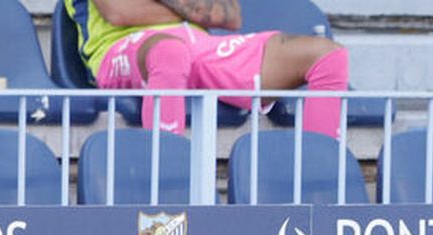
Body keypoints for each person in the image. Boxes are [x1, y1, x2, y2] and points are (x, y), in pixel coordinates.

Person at [66, 0, 351, 138]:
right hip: (122, 51)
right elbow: (120, 12)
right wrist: (191, 8)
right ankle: (165, 178)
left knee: (326, 55)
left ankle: (319, 183)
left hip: (200, 46)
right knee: (170, 53)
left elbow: (229, 15)